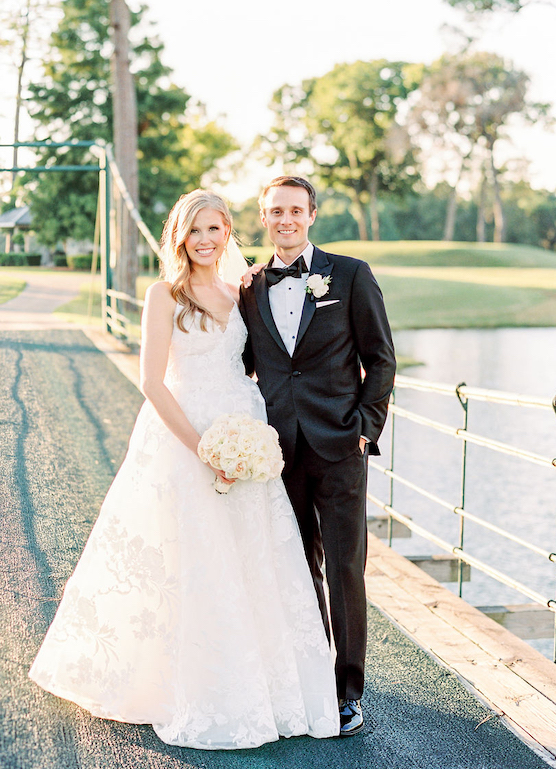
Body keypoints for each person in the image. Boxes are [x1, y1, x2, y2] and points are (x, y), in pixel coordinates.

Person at [29, 189, 340, 749]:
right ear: (179, 235)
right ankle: (186, 683)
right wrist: (204, 448)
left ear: (228, 234)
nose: (204, 240)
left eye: (214, 229)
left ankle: (269, 685)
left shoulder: (239, 290)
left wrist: (251, 439)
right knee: (188, 559)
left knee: (254, 558)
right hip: (183, 437)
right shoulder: (162, 295)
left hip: (242, 432)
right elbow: (152, 382)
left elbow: (261, 363)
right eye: (193, 230)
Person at [239, 176, 396, 736]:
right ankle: (310, 681)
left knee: (345, 569)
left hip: (339, 447)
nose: (286, 220)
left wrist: (365, 428)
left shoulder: (350, 275)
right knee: (296, 567)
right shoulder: (248, 286)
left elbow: (380, 358)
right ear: (263, 217)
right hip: (277, 451)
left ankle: (348, 691)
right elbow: (245, 367)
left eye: (295, 211)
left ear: (311, 216)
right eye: (275, 211)